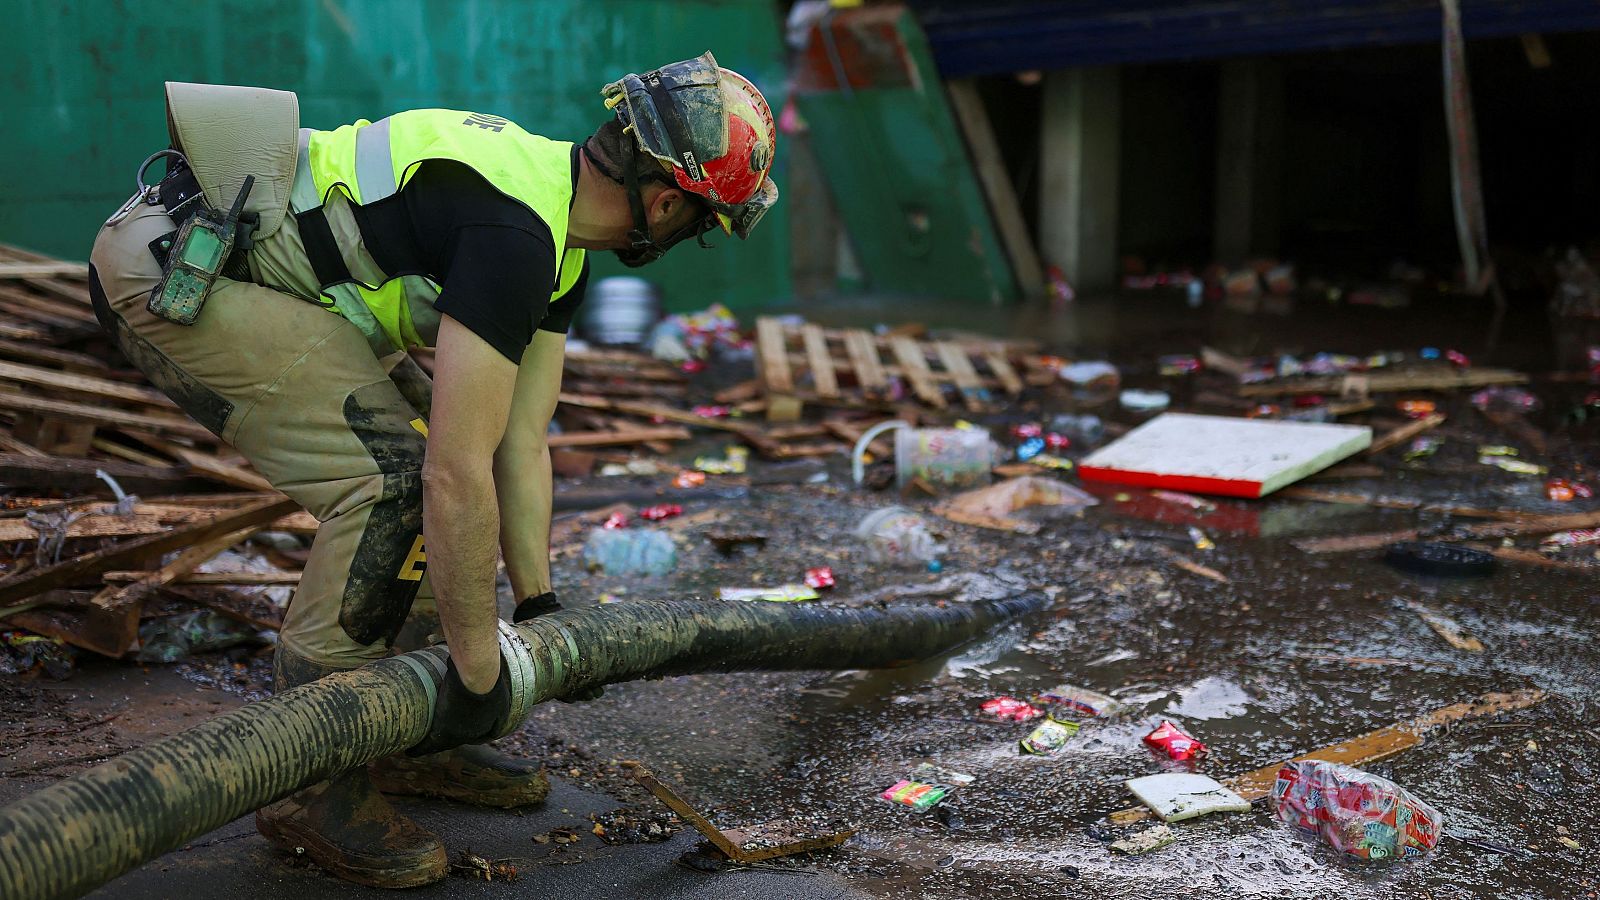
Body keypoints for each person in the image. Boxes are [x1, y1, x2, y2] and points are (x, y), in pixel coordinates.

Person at [86, 52, 776, 888]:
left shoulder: (554, 237)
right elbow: (453, 474)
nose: (688, 235)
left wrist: (539, 603)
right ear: (668, 202)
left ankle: (403, 734)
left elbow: (519, 442)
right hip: (180, 264)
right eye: (701, 223)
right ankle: (310, 782)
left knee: (422, 463)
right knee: (393, 481)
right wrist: (483, 671)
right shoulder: (516, 231)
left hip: (237, 262)